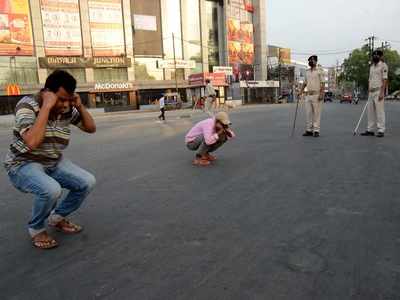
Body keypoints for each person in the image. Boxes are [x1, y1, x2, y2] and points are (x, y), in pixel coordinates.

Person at [3, 70, 97, 249]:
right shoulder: (28, 105)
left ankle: (57, 218)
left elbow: (90, 128)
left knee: (87, 182)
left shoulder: (67, 107)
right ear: (48, 93)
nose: (64, 105)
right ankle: (36, 229)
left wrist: (79, 106)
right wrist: (46, 107)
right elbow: (32, 142)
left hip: (53, 161)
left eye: (69, 99)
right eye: (61, 99)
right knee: (51, 190)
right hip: (23, 163)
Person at [361, 50, 389, 138]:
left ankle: (381, 130)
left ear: (380, 56)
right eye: (374, 56)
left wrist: (382, 92)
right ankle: (370, 130)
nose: (375, 57)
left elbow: (385, 80)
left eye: (377, 55)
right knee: (370, 112)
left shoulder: (383, 66)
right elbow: (370, 79)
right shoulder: (371, 67)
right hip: (371, 92)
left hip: (378, 91)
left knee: (380, 111)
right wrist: (369, 88)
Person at [300, 55, 325, 137]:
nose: (310, 61)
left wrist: (321, 94)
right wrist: (300, 91)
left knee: (317, 114)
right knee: (308, 113)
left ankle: (316, 130)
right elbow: (304, 83)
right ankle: (309, 130)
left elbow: (323, 83)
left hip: (316, 94)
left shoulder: (319, 71)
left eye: (312, 60)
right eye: (309, 60)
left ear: (316, 61)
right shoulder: (307, 72)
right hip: (308, 95)